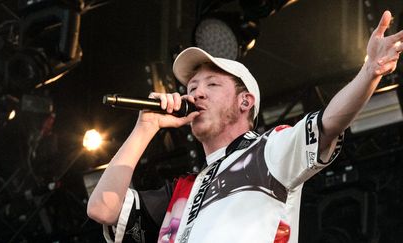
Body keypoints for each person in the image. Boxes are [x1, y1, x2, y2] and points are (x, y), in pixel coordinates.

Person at [87, 10, 403, 243]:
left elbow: (330, 122)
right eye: (192, 85)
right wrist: (147, 125)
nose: (196, 92)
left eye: (211, 84)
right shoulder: (182, 191)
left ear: (245, 101)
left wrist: (370, 72)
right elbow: (103, 209)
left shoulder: (269, 151)